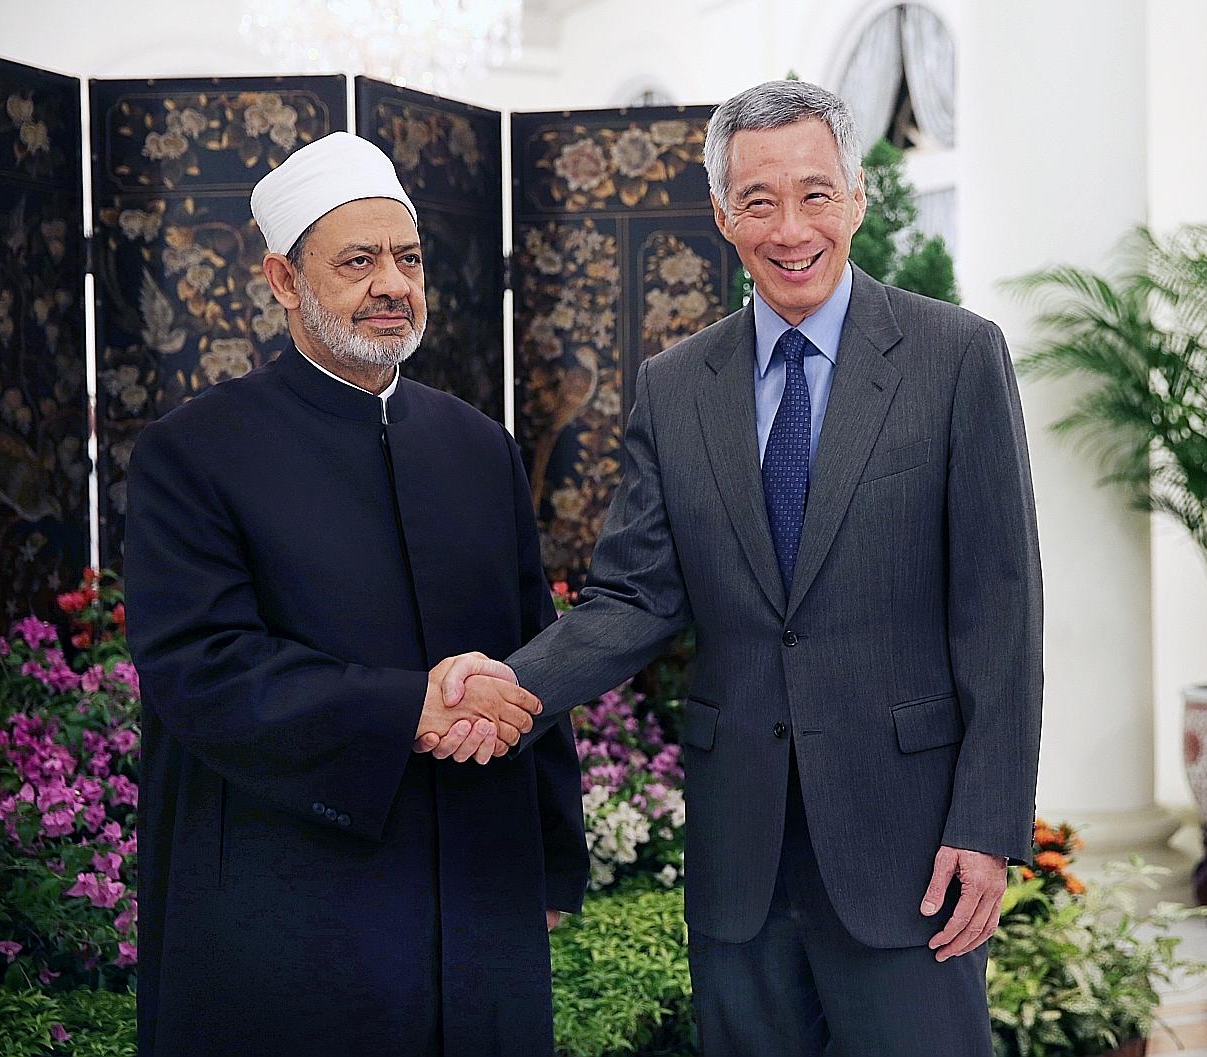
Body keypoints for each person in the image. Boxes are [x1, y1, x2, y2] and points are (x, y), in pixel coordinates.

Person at [423, 81, 1044, 1056]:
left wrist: (990, 821)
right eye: (759, 201)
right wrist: (512, 685)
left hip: (908, 844)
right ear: (722, 215)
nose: (790, 228)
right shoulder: (675, 387)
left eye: (814, 194)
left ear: (856, 197)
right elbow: (634, 598)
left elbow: (1000, 608)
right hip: (741, 848)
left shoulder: (955, 357)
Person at [125, 131, 587, 1057]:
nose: (392, 284)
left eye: (408, 259)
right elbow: (200, 668)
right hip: (289, 898)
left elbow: (534, 652)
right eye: (359, 260)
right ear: (285, 282)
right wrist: (406, 706)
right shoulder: (194, 452)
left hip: (479, 888)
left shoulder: (477, 446)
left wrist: (549, 861)